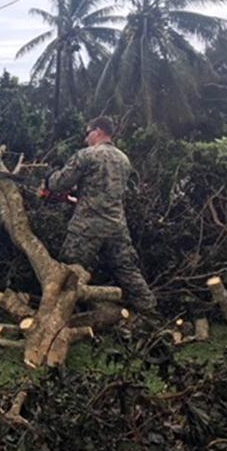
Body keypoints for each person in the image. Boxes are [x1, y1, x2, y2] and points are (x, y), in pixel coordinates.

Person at [44, 116, 157, 313]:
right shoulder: (123, 159)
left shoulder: (87, 155)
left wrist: (48, 178)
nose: (86, 138)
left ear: (97, 131)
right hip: (116, 225)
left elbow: (59, 183)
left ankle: (58, 315)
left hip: (87, 226)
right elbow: (104, 191)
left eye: (87, 133)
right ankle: (149, 310)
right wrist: (75, 197)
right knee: (127, 269)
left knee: (68, 270)